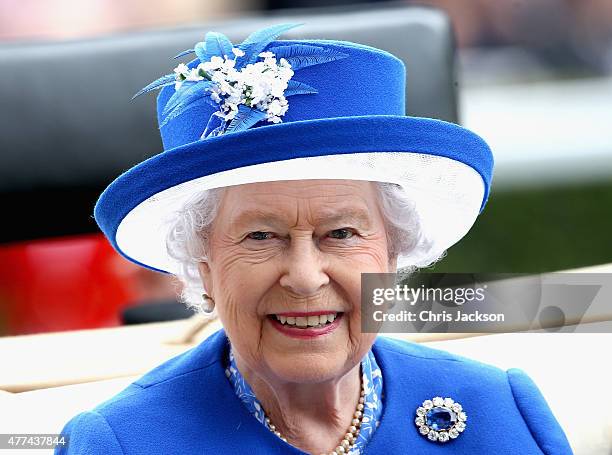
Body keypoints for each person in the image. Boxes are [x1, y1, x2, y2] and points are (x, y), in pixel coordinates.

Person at [56, 23, 572, 454]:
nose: (304, 277)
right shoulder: (120, 444)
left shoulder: (500, 411)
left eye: (341, 233)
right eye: (261, 236)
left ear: (392, 254)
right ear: (203, 264)